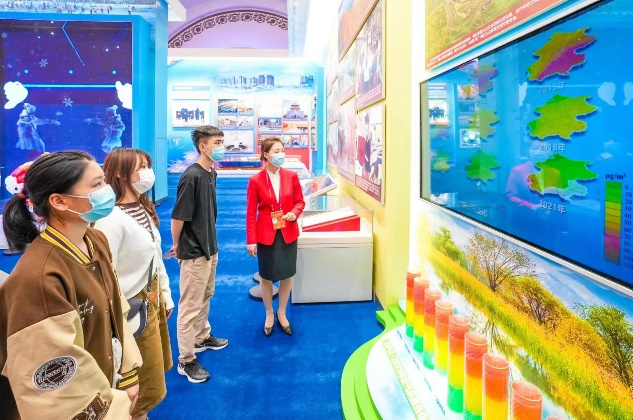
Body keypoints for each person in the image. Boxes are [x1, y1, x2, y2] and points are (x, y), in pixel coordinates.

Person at [0, 151, 142, 419]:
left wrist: (128, 371)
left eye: (104, 181)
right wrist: (111, 407)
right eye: (97, 184)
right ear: (59, 201)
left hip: (110, 378)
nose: (107, 190)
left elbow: (116, 309)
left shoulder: (95, 240)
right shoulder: (39, 278)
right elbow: (55, 380)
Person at [93, 148, 174, 419]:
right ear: (120, 174)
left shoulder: (142, 207)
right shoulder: (109, 220)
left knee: (150, 371)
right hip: (128, 310)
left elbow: (155, 257)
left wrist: (165, 295)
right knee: (133, 382)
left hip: (150, 300)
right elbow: (106, 277)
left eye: (147, 165)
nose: (148, 173)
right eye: (141, 167)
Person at [169, 125, 229, 384]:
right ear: (203, 147)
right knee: (190, 306)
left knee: (205, 295)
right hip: (193, 251)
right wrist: (177, 245)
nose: (222, 146)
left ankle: (202, 337)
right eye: (217, 142)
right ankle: (186, 359)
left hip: (209, 246)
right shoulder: (191, 176)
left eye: (222, 141)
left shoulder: (210, 173)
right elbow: (178, 217)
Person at [246, 137, 305, 336]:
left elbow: (300, 202)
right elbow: (251, 213)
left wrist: (294, 213)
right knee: (266, 275)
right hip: (266, 234)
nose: (281, 154)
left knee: (287, 274)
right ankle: (269, 312)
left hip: (288, 232)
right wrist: (251, 240)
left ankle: (282, 311)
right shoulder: (255, 180)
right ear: (266, 154)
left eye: (282, 150)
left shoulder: (291, 176)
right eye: (276, 151)